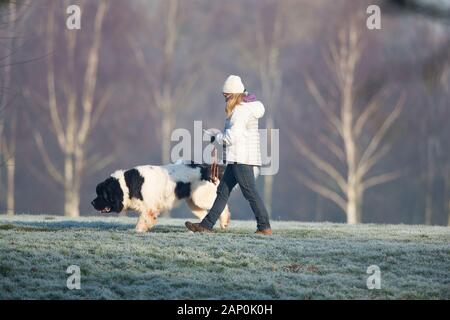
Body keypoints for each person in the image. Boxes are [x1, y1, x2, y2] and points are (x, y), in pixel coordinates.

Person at [185, 75, 272, 235]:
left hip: (241, 159)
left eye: (226, 97)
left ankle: (264, 227)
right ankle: (206, 226)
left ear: (234, 94)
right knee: (222, 191)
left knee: (250, 193)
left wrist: (215, 137)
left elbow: (231, 138)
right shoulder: (245, 108)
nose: (225, 100)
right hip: (237, 158)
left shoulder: (240, 111)